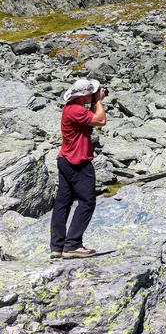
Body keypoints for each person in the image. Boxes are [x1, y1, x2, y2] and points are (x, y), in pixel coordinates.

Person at [50, 78, 106, 259]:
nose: (94, 94)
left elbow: (88, 124)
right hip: (77, 162)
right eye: (91, 93)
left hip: (65, 159)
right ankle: (73, 245)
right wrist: (98, 101)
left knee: (62, 203)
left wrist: (93, 102)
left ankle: (57, 246)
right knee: (87, 202)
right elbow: (101, 120)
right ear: (84, 96)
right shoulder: (76, 110)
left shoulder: (71, 108)